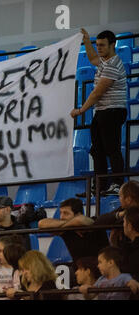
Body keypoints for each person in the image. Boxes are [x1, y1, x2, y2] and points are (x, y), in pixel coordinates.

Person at [71, 29, 127, 197]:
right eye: (98, 45)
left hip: (112, 111)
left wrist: (81, 110)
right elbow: (93, 58)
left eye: (102, 45)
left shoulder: (113, 64)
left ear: (113, 44)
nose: (99, 49)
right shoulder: (104, 61)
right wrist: (87, 41)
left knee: (112, 149)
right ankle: (100, 186)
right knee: (97, 151)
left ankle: (118, 184)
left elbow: (97, 92)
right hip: (102, 112)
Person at [38, 198, 109, 262]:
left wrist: (62, 227)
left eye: (66, 213)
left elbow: (81, 220)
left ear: (78, 214)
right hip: (80, 270)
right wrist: (67, 225)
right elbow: (41, 223)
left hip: (102, 266)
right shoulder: (65, 230)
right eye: (61, 213)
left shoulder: (93, 220)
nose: (61, 217)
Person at [122, 206, 139, 297]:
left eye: (124, 222)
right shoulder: (130, 247)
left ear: (129, 226)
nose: (123, 225)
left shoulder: (134, 252)